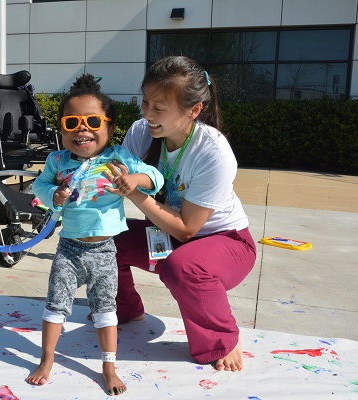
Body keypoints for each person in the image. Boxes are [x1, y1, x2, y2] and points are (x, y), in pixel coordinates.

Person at [104, 56, 257, 372]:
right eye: (144, 102)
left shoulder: (213, 151)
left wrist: (135, 192)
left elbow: (188, 229)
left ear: (194, 110)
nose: (148, 114)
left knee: (183, 266)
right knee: (103, 238)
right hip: (167, 234)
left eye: (159, 108)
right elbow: (113, 175)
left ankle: (223, 339)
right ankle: (125, 309)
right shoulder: (141, 132)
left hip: (225, 244)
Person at [26, 74, 164, 395]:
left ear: (110, 128)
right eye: (71, 122)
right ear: (62, 129)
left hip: (104, 252)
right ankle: (46, 359)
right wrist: (53, 196)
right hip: (69, 251)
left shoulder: (117, 159)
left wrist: (134, 181)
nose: (82, 129)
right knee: (55, 305)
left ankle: (108, 368)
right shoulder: (56, 161)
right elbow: (40, 187)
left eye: (92, 121)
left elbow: (155, 178)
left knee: (105, 311)